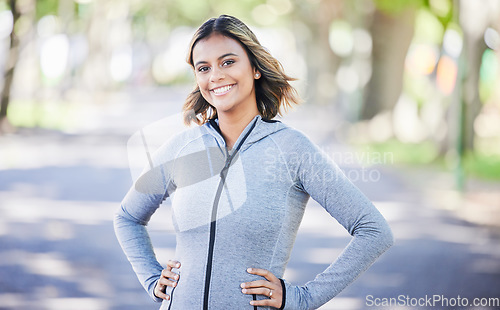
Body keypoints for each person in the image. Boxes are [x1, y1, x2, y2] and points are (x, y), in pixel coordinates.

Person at [114, 14, 394, 310]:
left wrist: (303, 298)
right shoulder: (182, 147)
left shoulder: (292, 149)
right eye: (203, 68)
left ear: (255, 68)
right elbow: (127, 217)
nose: (215, 76)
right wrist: (151, 278)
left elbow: (374, 231)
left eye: (228, 62)